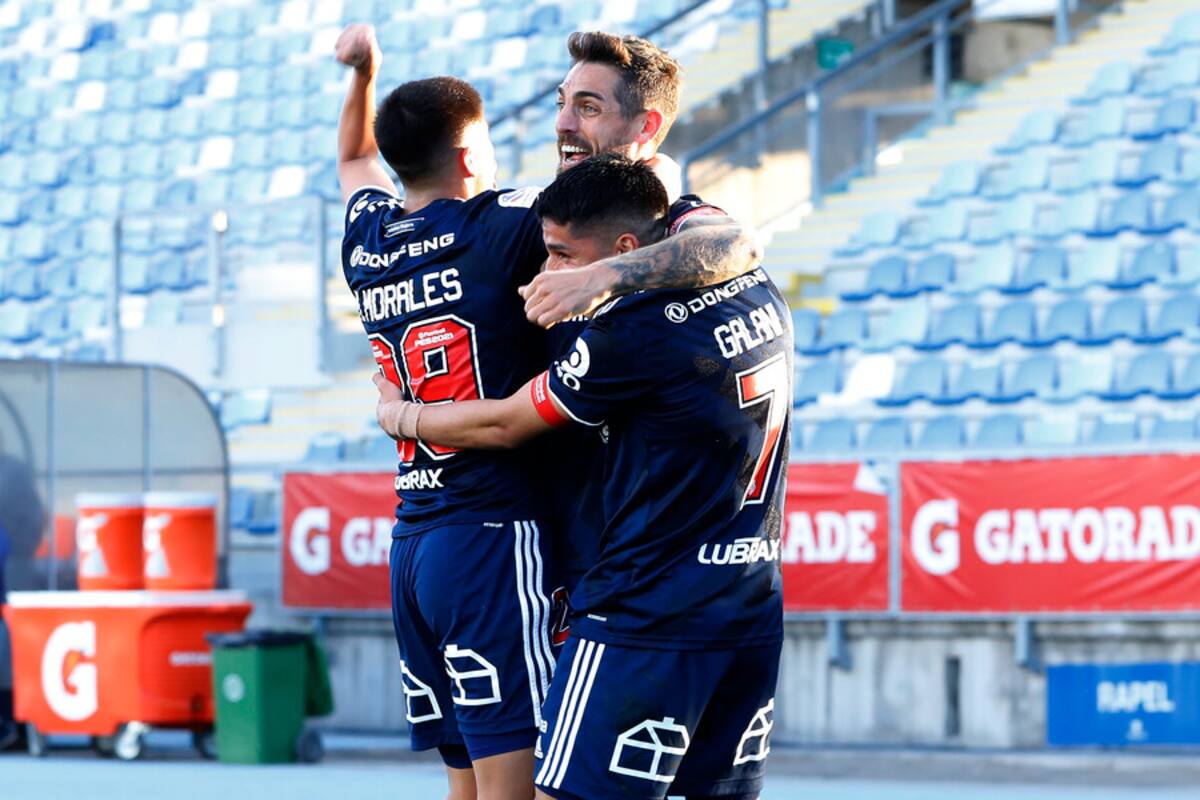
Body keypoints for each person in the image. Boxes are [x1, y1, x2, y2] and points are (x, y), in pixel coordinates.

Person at [334, 24, 761, 800]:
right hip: (504, 541)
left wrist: (362, 79)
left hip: (418, 537)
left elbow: (355, 164)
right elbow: (504, 420)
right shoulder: (504, 228)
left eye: (585, 107)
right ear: (471, 156)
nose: (561, 124)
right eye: (564, 105)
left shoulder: (368, 236)